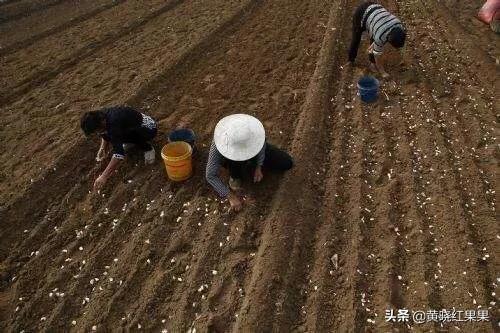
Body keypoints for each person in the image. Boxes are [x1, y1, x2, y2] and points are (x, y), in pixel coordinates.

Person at [206, 114, 293, 212]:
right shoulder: (220, 142)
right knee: (235, 163)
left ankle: (250, 163)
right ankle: (235, 176)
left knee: (286, 162)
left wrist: (259, 166)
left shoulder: (253, 131)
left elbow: (261, 146)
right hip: (232, 160)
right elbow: (210, 175)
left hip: (253, 151)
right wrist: (230, 196)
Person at [80, 106, 157, 191]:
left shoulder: (114, 123)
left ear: (102, 122)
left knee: (118, 138)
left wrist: (103, 176)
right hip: (132, 125)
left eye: (97, 130)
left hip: (149, 129)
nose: (97, 133)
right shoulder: (99, 116)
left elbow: (119, 154)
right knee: (114, 135)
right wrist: (102, 148)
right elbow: (104, 132)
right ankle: (131, 141)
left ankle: (148, 149)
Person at [348, 1, 406, 78]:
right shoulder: (380, 36)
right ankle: (351, 59)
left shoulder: (399, 25)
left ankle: (372, 63)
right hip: (361, 13)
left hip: (375, 8)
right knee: (356, 38)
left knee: (375, 38)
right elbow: (377, 56)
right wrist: (383, 72)